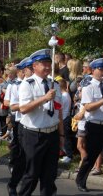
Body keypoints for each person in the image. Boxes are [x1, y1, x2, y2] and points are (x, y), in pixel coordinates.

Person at [18, 49, 64, 196]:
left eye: (49, 63)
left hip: (52, 134)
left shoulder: (54, 84)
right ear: (35, 66)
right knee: (32, 174)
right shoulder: (27, 84)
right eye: (43, 64)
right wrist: (44, 98)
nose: (47, 67)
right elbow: (23, 108)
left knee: (49, 176)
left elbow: (59, 111)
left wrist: (61, 135)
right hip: (34, 135)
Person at [76, 58, 103, 195]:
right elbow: (88, 107)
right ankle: (81, 179)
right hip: (95, 126)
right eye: (100, 69)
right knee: (91, 156)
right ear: (93, 70)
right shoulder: (88, 86)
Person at [4, 57, 32, 196]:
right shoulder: (15, 85)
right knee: (21, 154)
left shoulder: (36, 83)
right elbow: (11, 105)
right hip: (21, 122)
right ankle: (13, 183)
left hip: (36, 124)